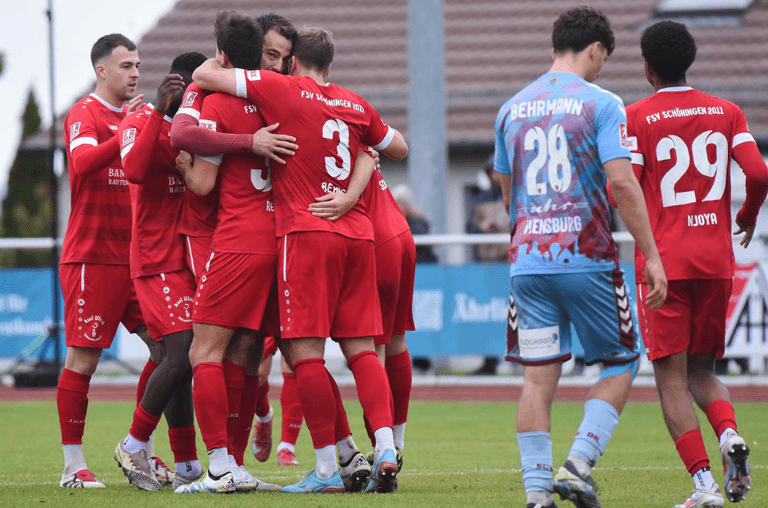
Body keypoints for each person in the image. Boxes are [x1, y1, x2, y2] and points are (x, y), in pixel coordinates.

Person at [193, 27, 409, 493]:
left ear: (293, 63)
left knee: (305, 354)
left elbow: (204, 73)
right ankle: (386, 447)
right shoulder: (354, 103)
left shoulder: (281, 88)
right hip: (358, 237)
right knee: (362, 351)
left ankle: (328, 469)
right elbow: (398, 147)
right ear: (331, 66)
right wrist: (355, 181)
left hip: (306, 234)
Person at [493, 7, 667, 508]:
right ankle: (577, 465)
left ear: (554, 48)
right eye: (603, 59)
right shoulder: (602, 103)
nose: (601, 68)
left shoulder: (511, 108)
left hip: (527, 261)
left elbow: (509, 196)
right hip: (585, 257)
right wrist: (651, 255)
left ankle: (536, 496)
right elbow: (622, 183)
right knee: (621, 360)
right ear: (595, 49)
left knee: (536, 378)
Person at [625, 20, 768, 508]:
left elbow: (624, 187)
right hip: (715, 261)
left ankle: (704, 485)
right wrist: (746, 216)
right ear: (690, 61)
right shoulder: (726, 111)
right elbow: (758, 171)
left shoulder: (636, 117)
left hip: (663, 264)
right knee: (703, 372)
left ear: (647, 68)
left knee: (670, 380)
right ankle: (729, 436)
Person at [170, 10, 300, 484]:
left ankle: (220, 464)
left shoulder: (216, 104)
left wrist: (184, 166)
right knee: (248, 355)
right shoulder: (278, 98)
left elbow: (202, 184)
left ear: (222, 56)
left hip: (238, 240)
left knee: (203, 351)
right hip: (280, 239)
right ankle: (240, 465)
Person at [57, 33, 173, 489]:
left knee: (169, 350)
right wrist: (125, 130)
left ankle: (138, 446)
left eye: (138, 66)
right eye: (126, 66)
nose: (135, 73)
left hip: (136, 260)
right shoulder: (84, 114)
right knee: (82, 359)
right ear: (101, 70)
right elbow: (83, 164)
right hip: (92, 257)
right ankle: (73, 467)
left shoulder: (141, 116)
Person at [113, 52, 208, 492]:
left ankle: (187, 463)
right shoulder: (139, 121)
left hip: (185, 258)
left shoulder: (190, 131)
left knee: (180, 359)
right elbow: (132, 170)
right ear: (178, 85)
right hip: (154, 259)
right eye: (198, 90)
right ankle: (134, 443)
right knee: (181, 350)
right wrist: (154, 110)